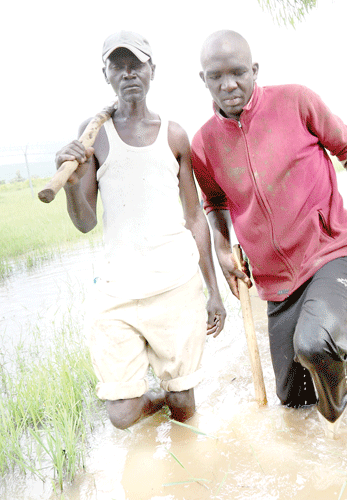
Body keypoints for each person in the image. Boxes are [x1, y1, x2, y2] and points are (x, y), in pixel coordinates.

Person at [190, 30, 347, 438]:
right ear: (203, 79)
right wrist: (222, 248)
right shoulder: (203, 144)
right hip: (275, 283)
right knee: (292, 402)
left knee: (315, 346)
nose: (229, 84)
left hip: (331, 253)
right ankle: (336, 399)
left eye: (238, 72)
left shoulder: (295, 101)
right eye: (216, 76)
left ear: (254, 71)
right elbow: (214, 202)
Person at [54, 31, 226, 430]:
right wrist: (71, 184)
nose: (129, 73)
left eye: (137, 65)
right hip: (118, 291)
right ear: (106, 75)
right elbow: (85, 221)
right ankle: (155, 402)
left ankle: (174, 407)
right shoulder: (94, 136)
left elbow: (195, 217)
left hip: (175, 284)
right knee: (122, 413)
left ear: (153, 72)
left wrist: (213, 292)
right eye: (119, 66)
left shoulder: (174, 134)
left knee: (185, 405)